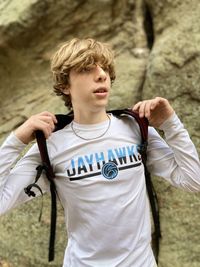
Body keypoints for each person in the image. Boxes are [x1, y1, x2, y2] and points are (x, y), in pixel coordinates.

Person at [0, 38, 200, 267]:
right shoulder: (51, 146)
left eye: (104, 68)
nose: (101, 75)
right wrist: (16, 140)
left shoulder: (136, 129)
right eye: (86, 69)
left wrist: (170, 123)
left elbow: (194, 180)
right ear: (65, 85)